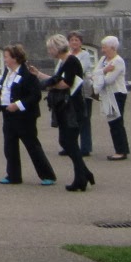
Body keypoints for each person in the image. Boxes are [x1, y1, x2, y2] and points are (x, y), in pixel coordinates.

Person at [0, 44, 56, 185]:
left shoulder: (27, 74)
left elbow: (35, 95)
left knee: (32, 145)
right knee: (10, 146)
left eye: (6, 57)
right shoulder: (7, 72)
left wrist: (18, 105)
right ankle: (13, 175)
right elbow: (6, 89)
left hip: (24, 116)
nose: (4, 59)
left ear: (15, 58)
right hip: (7, 114)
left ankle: (47, 175)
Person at [43, 34, 95, 191]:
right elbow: (57, 80)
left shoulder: (71, 60)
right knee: (66, 141)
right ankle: (84, 173)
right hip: (67, 106)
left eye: (50, 49)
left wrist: (50, 85)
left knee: (68, 142)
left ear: (56, 48)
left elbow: (67, 83)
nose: (49, 52)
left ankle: (81, 178)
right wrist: (43, 78)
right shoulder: (65, 61)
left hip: (73, 106)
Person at [93, 35, 130, 160]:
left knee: (116, 122)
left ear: (113, 48)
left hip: (117, 93)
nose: (103, 50)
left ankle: (121, 151)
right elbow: (94, 75)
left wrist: (100, 74)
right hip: (106, 94)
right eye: (103, 47)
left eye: (105, 48)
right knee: (112, 122)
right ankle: (120, 149)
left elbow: (109, 80)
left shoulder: (118, 61)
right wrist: (104, 70)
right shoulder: (104, 59)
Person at [67, 31, 97, 157]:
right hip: (69, 90)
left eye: (77, 40)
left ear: (81, 42)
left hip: (83, 90)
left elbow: (80, 69)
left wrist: (66, 74)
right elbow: (59, 69)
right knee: (70, 119)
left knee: (84, 119)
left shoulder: (84, 54)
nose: (74, 42)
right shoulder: (67, 55)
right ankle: (69, 146)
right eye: (72, 40)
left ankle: (85, 147)